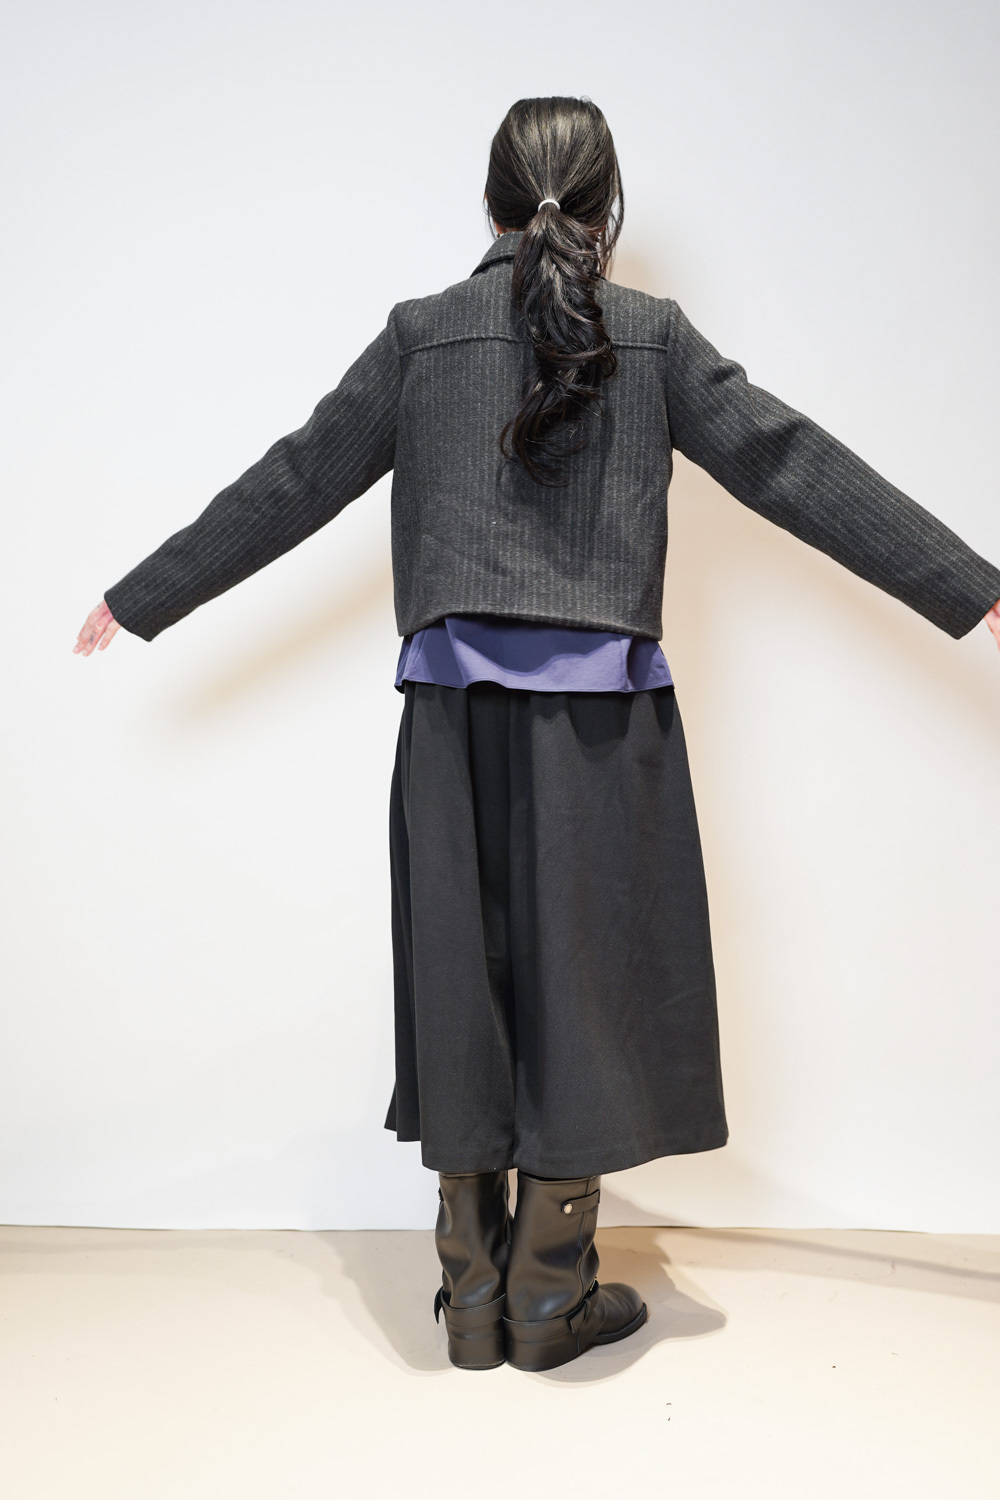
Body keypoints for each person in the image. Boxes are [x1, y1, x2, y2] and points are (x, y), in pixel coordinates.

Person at [75, 96, 1000, 1374]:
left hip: (448, 717)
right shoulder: (653, 336)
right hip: (601, 728)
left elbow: (295, 478)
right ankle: (549, 1296)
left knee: (460, 973)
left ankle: (469, 1295)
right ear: (609, 206)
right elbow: (789, 461)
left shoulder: (422, 336)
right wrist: (969, 585)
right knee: (588, 981)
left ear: (491, 202)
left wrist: (141, 596)